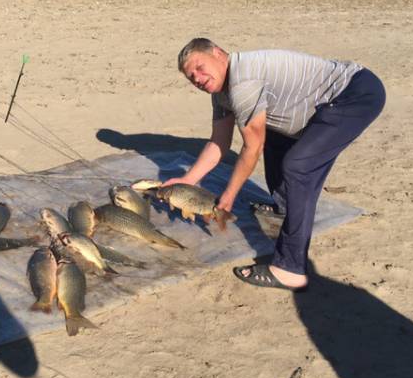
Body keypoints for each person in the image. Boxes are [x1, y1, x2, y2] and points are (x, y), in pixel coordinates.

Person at [163, 38, 385, 291]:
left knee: (298, 167)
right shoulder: (221, 94)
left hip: (355, 94)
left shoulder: (243, 82)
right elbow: (219, 142)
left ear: (217, 53)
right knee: (273, 135)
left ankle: (290, 269)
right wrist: (188, 180)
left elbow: (251, 148)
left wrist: (229, 195)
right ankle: (285, 206)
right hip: (326, 101)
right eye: (191, 78)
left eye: (200, 68)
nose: (198, 79)